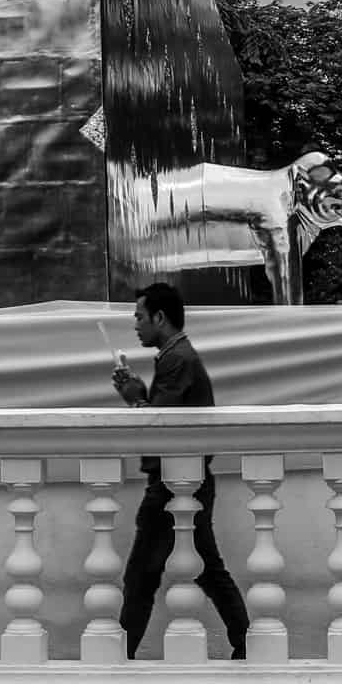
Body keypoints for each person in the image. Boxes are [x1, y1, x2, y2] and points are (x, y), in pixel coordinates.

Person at [111, 281, 250, 660]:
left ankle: (120, 658)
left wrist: (134, 400)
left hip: (173, 484)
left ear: (159, 317)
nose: (136, 325)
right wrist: (141, 397)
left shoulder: (176, 360)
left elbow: (163, 427)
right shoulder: (178, 357)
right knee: (206, 569)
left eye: (140, 316)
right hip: (187, 480)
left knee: (141, 577)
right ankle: (246, 643)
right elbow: (167, 416)